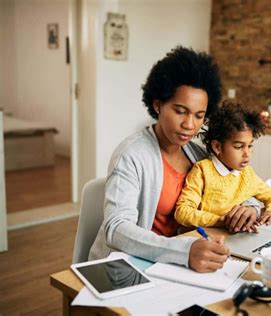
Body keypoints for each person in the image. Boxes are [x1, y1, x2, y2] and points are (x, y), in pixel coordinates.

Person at [89, 46, 261, 273]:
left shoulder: (198, 155)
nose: (190, 125)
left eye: (199, 116)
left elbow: (240, 184)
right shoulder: (131, 155)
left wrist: (250, 208)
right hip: (132, 267)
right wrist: (184, 251)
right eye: (180, 111)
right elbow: (117, 228)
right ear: (158, 104)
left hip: (180, 266)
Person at [175, 102, 271, 232]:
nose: (247, 153)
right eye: (239, 147)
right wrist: (222, 220)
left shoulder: (247, 174)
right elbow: (182, 212)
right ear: (217, 147)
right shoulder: (203, 170)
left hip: (232, 236)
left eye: (250, 146)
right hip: (202, 237)